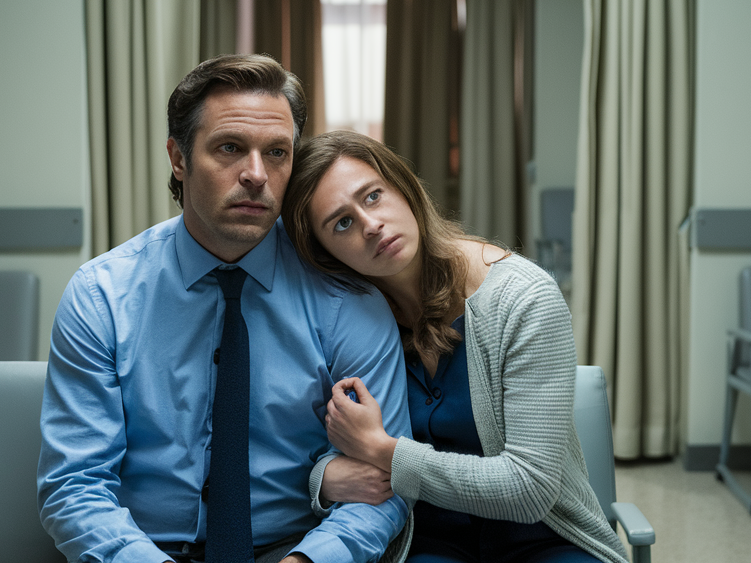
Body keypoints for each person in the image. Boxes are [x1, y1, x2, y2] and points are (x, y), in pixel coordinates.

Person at [37, 55, 412, 563]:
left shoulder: (347, 299)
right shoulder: (101, 296)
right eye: (230, 148)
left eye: (277, 152)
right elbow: (75, 487)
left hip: (296, 552)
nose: (256, 175)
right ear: (178, 157)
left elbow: (385, 489)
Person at [282, 130, 630, 563]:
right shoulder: (349, 321)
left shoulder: (524, 298)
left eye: (373, 196)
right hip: (428, 540)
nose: (371, 225)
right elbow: (319, 448)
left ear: (404, 189)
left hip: (546, 537)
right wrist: (327, 477)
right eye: (343, 223)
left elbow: (530, 490)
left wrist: (383, 452)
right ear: (326, 252)